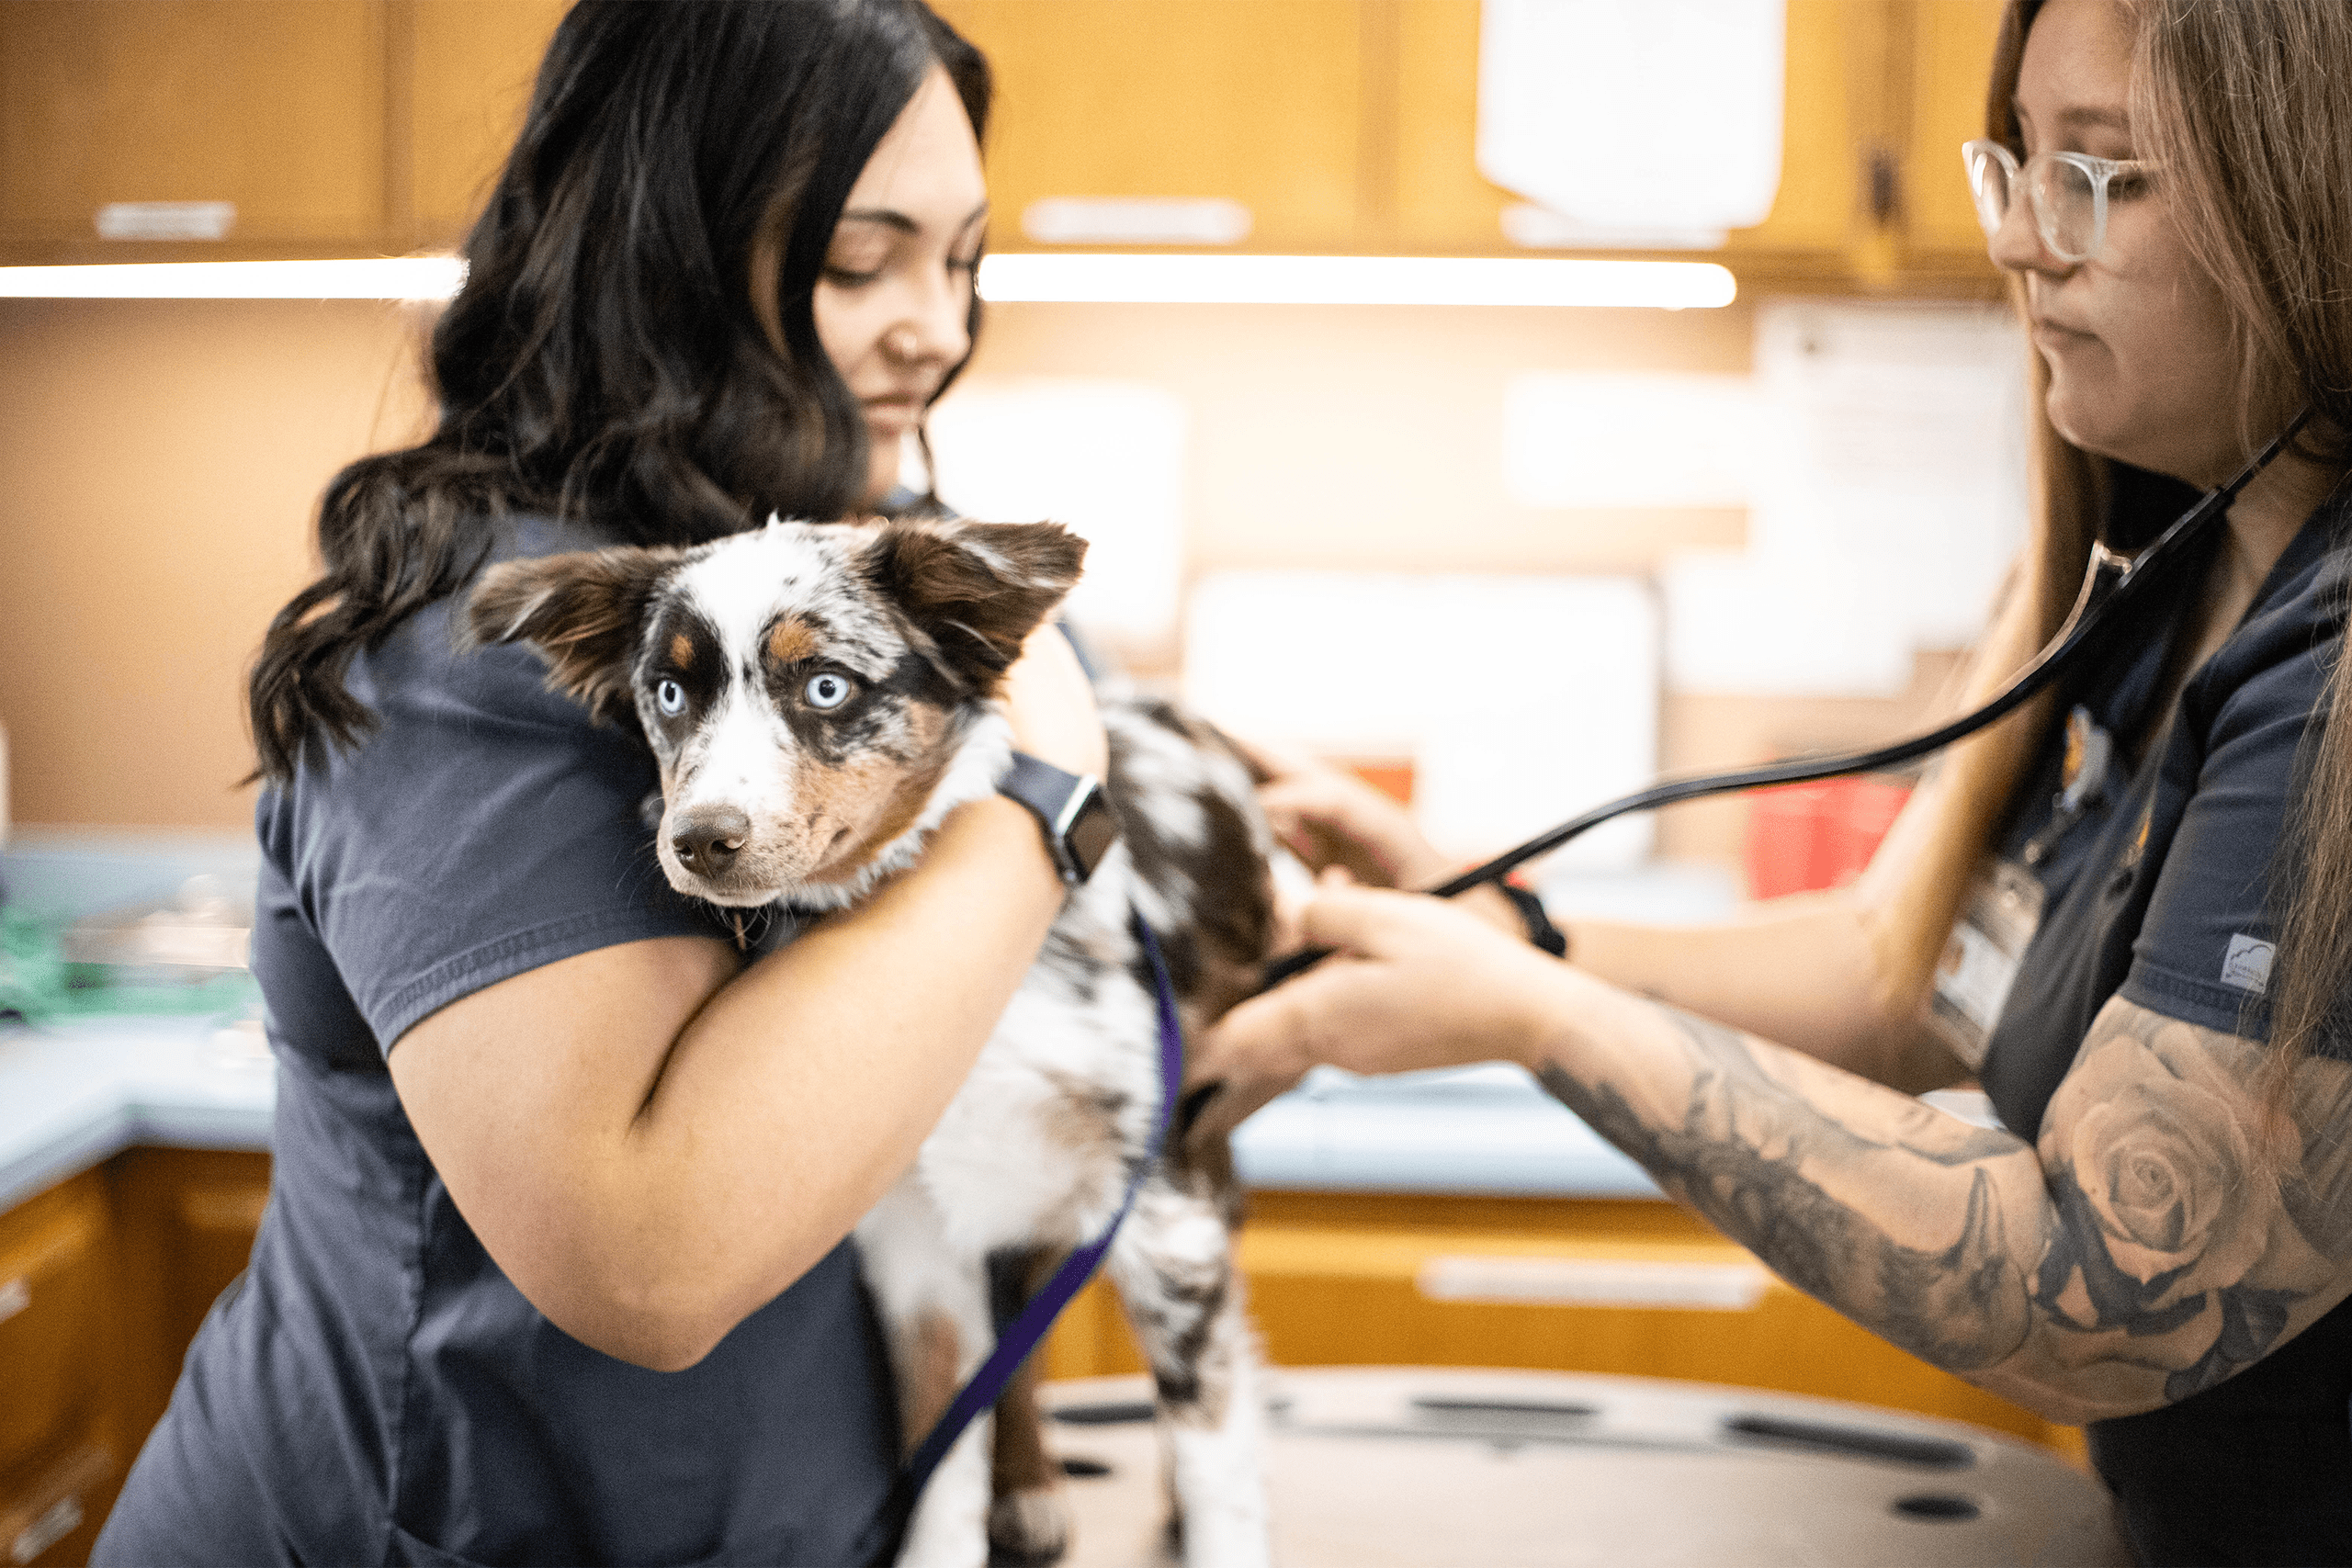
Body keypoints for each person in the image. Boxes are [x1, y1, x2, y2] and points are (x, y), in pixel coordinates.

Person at [1195, 1, 2352, 1562]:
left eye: (2101, 175)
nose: (2023, 240)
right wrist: (1499, 921)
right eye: (2014, 164)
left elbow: (2104, 1282)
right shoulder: (2170, 555)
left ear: (2312, 190)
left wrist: (1528, 1015)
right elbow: (1911, 975)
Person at [93, 5, 1108, 1563]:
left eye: (965, 260)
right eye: (861, 261)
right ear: (667, 253)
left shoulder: (819, 563)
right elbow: (648, 1256)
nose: (938, 328)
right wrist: (1048, 807)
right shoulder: (482, 648)